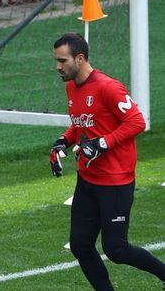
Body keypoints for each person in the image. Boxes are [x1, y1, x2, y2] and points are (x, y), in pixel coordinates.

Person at [50, 33, 164, 289]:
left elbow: (137, 122)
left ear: (79, 59)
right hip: (87, 180)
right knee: (80, 245)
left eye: (62, 60)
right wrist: (62, 142)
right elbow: (82, 123)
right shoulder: (71, 86)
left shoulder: (108, 87)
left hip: (115, 181)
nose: (58, 67)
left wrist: (102, 143)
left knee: (116, 249)